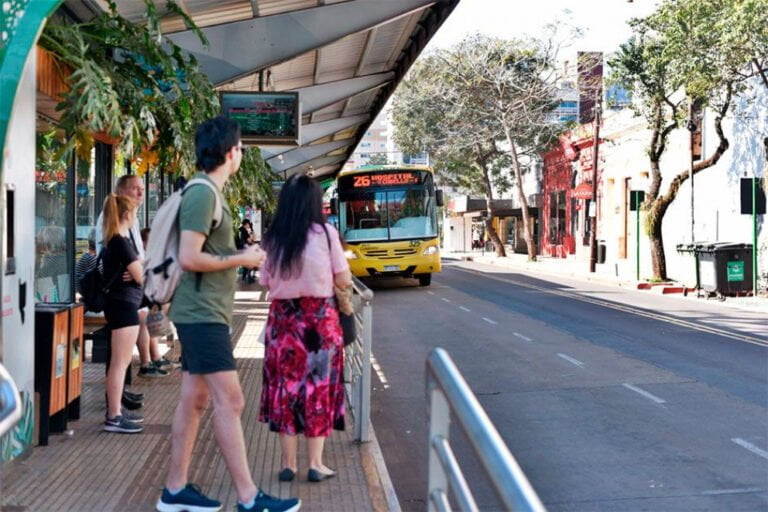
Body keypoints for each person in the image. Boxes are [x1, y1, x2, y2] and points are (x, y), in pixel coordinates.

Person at [156, 116, 300, 512]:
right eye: (239, 148)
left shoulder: (208, 192)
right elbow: (189, 256)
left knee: (195, 400)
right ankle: (248, 497)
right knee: (231, 401)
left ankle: (174, 489)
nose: (240, 154)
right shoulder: (204, 193)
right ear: (230, 152)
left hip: (205, 313)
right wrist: (243, 257)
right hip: (200, 315)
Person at [259, 175, 352, 484]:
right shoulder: (326, 234)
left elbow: (265, 281)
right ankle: (315, 463)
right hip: (320, 324)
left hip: (283, 322)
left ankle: (288, 464)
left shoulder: (273, 238)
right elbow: (343, 279)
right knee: (317, 388)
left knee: (286, 389)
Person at [96, 175, 171, 379]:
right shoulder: (109, 219)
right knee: (147, 313)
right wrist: (129, 267)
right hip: (120, 292)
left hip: (134, 286)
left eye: (142, 188)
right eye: (134, 188)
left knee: (159, 304)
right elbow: (107, 254)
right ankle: (148, 360)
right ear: (121, 192)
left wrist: (141, 266)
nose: (140, 192)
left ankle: (153, 358)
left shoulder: (134, 219)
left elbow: (138, 254)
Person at [101, 194, 145, 434]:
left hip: (120, 306)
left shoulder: (113, 241)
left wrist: (138, 269)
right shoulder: (121, 242)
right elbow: (140, 276)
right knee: (120, 363)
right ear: (127, 215)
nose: (136, 217)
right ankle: (114, 416)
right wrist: (140, 270)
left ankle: (115, 409)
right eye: (135, 212)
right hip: (123, 307)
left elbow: (137, 271)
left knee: (121, 362)